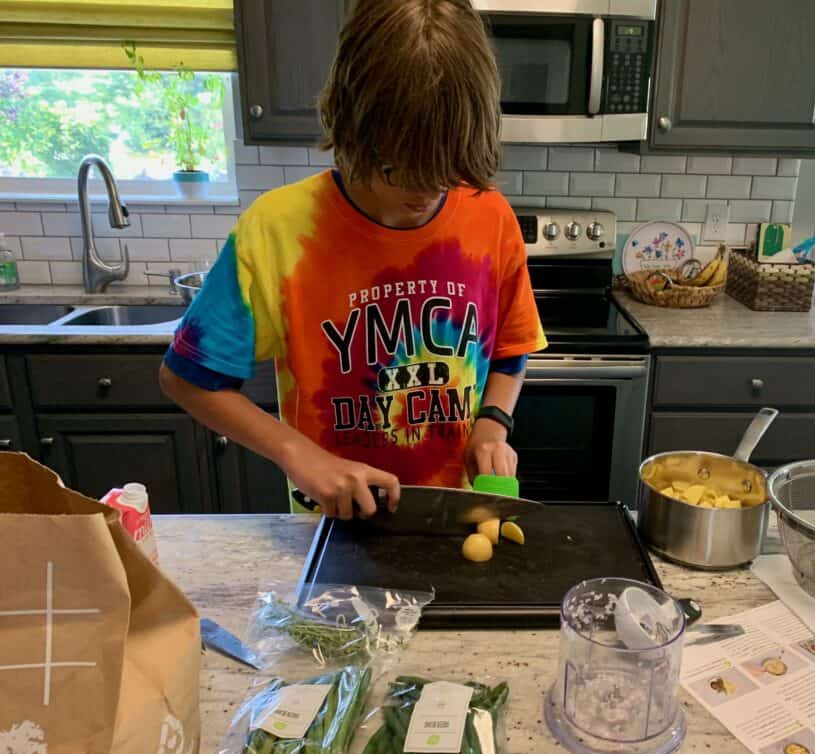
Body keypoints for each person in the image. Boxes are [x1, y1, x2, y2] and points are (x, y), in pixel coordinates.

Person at [159, 0, 546, 519]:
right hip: (336, 525)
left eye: (448, 170)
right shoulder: (279, 230)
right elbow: (186, 377)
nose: (426, 192)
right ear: (352, 127)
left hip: (454, 513)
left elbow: (511, 348)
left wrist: (493, 422)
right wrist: (302, 457)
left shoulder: (489, 215)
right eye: (397, 170)